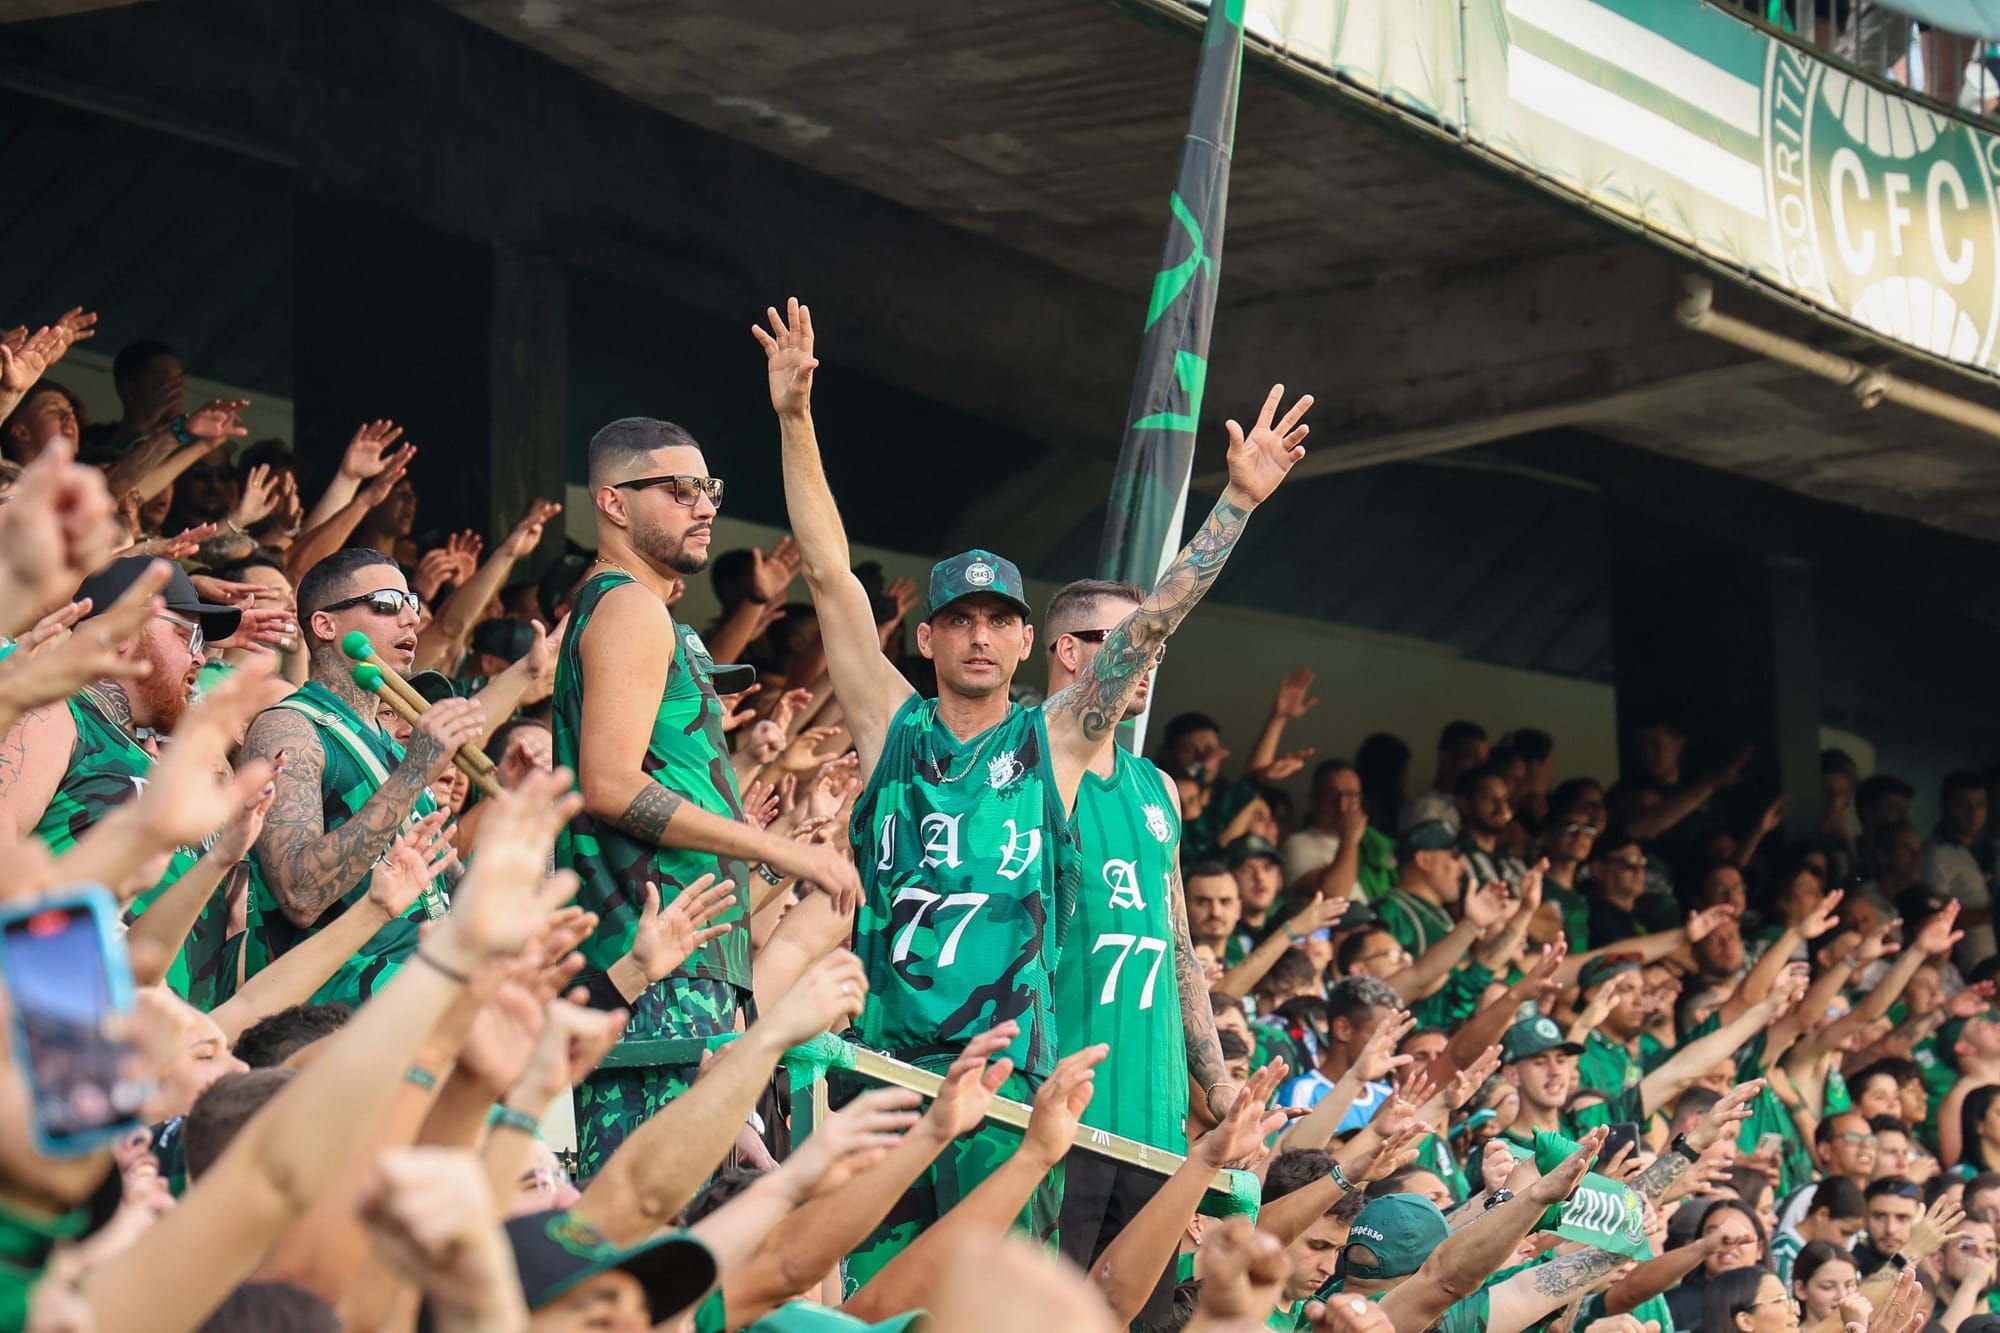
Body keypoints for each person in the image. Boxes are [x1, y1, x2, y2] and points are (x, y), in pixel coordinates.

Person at [758, 294, 1311, 1280]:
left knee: (981, 1296)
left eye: (995, 619)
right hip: (889, 1063)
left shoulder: (1052, 740)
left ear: (1026, 641)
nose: (976, 635)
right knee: (846, 1285)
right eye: (956, 618)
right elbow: (834, 578)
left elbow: (1146, 631)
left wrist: (1235, 505)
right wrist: (795, 419)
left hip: (1011, 1083)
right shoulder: (892, 724)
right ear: (924, 638)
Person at [554, 414, 862, 1177]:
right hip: (654, 962)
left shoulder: (644, 611)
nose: (704, 506)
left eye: (709, 489)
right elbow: (611, 784)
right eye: (679, 489)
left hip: (686, 967)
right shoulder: (628, 607)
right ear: (614, 503)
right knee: (650, 1224)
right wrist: (779, 847)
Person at [1040, 576, 1232, 1310]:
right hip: (1059, 1113)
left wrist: (1215, 1085)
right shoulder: (1027, 766)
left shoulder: (1159, 788)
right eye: (1135, 640)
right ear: (1067, 650)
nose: (1149, 660)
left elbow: (1179, 946)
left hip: (1155, 1129)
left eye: (1158, 645)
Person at [236, 548, 486, 1005]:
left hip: (430, 992)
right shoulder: (290, 726)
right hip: (344, 1013)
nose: (411, 619)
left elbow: (447, 887)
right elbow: (300, 894)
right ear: (325, 625)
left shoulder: (388, 744)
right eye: (387, 603)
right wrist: (412, 775)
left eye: (411, 602)